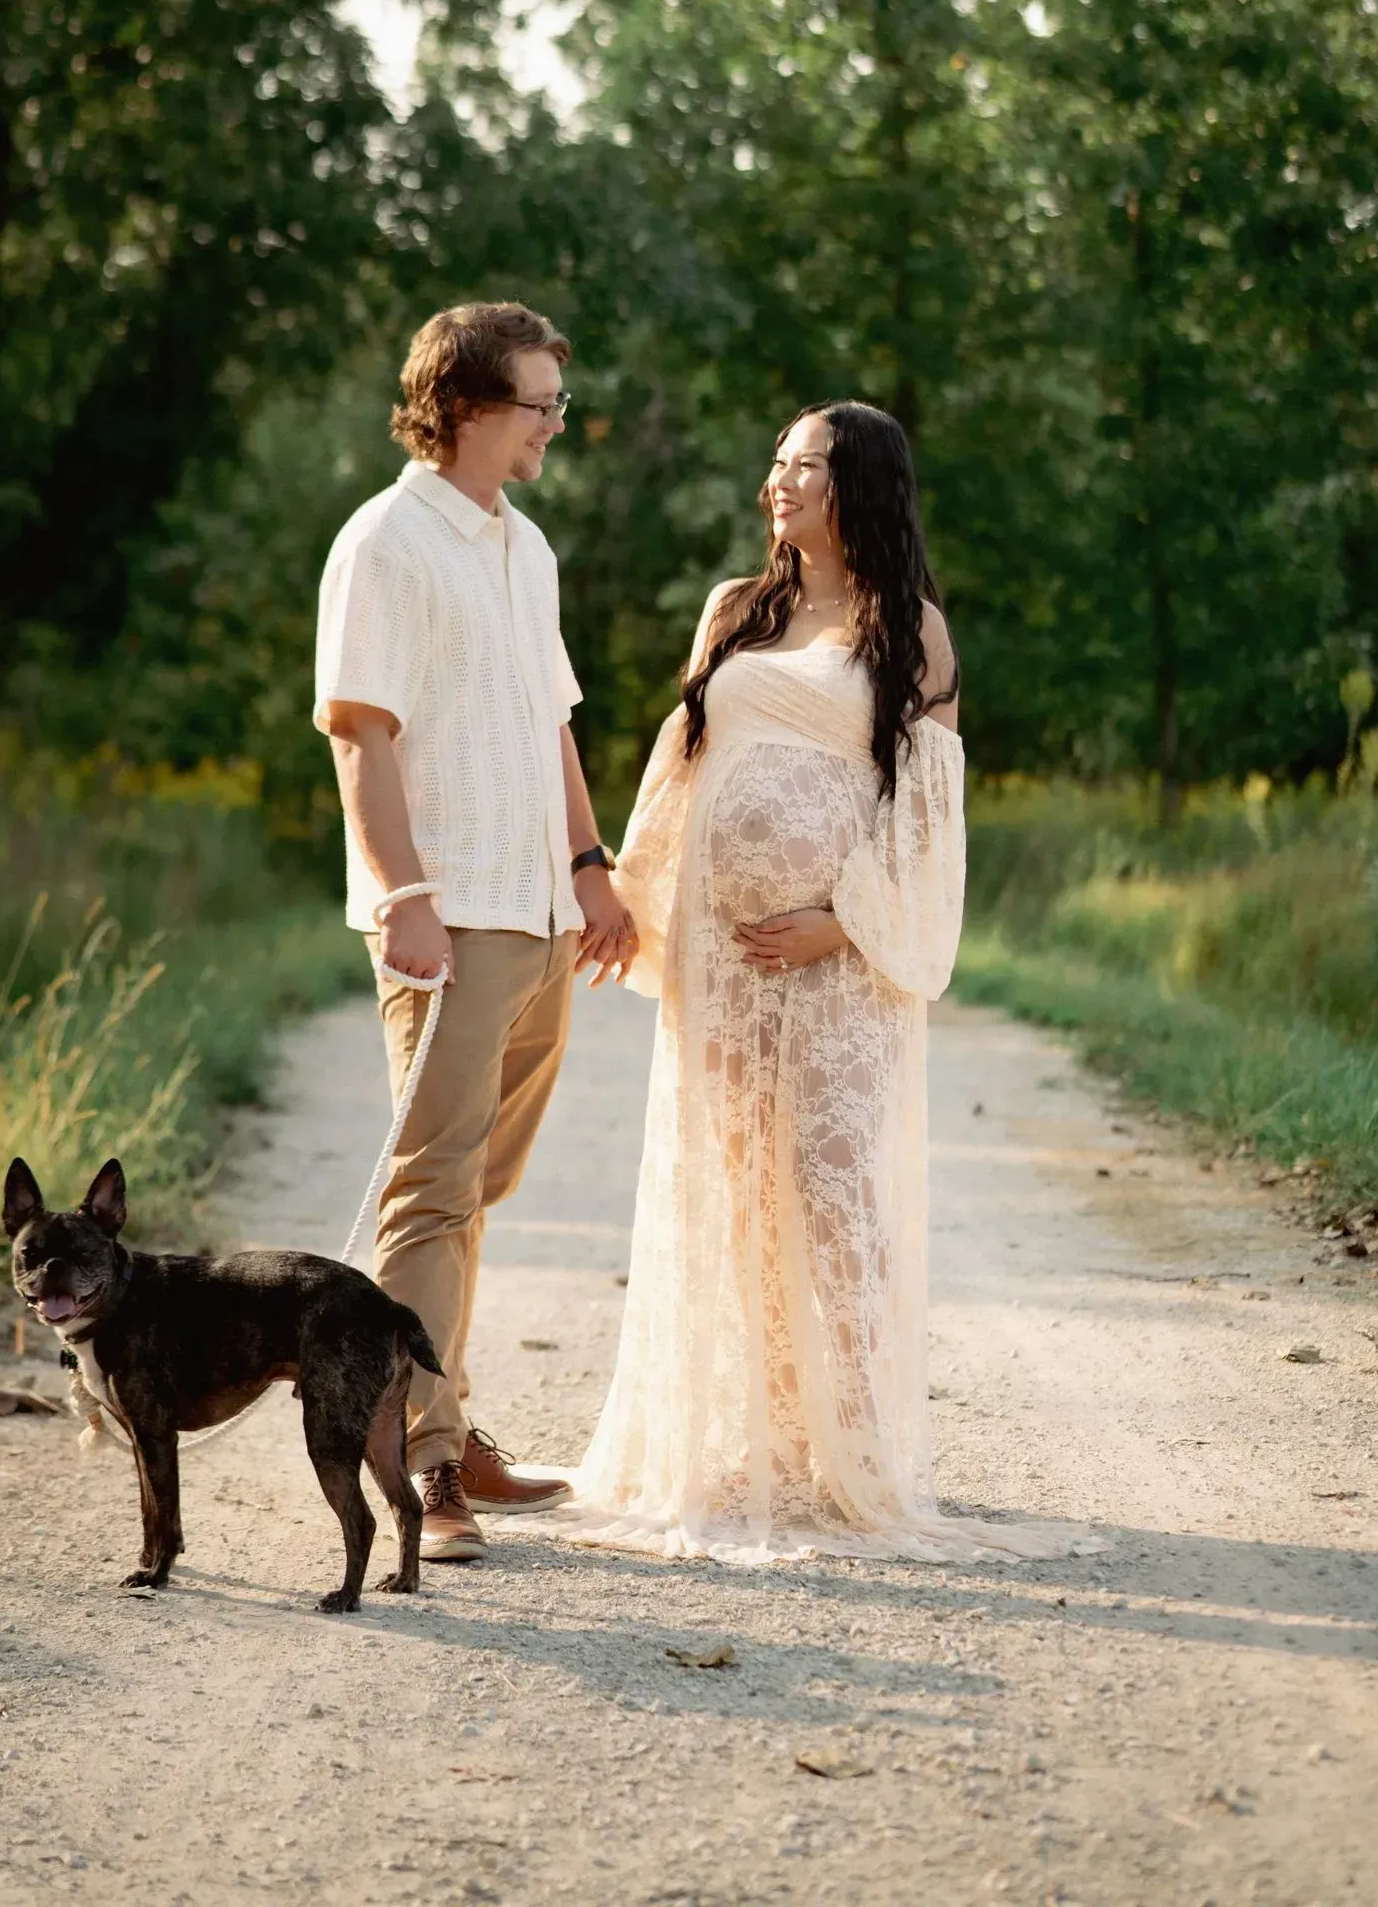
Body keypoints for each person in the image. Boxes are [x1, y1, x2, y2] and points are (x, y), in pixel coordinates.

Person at [570, 400, 1061, 1564]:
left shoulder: (914, 633)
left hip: (842, 964)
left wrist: (838, 927)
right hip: (720, 967)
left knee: (838, 1198)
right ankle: (748, 1448)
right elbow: (679, 777)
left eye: (806, 465)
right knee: (730, 1192)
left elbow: (927, 824)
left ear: (864, 488)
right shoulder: (734, 613)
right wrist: (627, 905)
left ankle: (851, 1450)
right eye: (776, 460)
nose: (778, 483)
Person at [314, 301, 636, 1563]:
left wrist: (592, 866)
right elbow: (359, 728)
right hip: (452, 914)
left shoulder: (527, 545)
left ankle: (443, 1417)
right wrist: (402, 894)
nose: (556, 424)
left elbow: (553, 720)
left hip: (543, 909)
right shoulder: (386, 542)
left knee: (476, 1193)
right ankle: (421, 1466)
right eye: (539, 405)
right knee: (433, 1189)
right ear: (463, 407)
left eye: (558, 402)